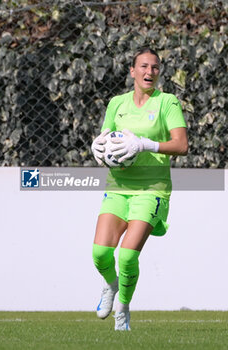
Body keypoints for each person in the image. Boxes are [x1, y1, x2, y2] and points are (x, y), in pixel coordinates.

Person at [91, 47, 188, 331]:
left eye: (155, 67)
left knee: (128, 256)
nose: (149, 72)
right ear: (132, 71)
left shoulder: (167, 102)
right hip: (118, 186)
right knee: (99, 254)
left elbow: (181, 145)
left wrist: (145, 144)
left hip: (152, 189)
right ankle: (111, 285)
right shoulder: (116, 104)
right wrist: (97, 148)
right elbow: (105, 138)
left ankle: (123, 308)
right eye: (143, 66)